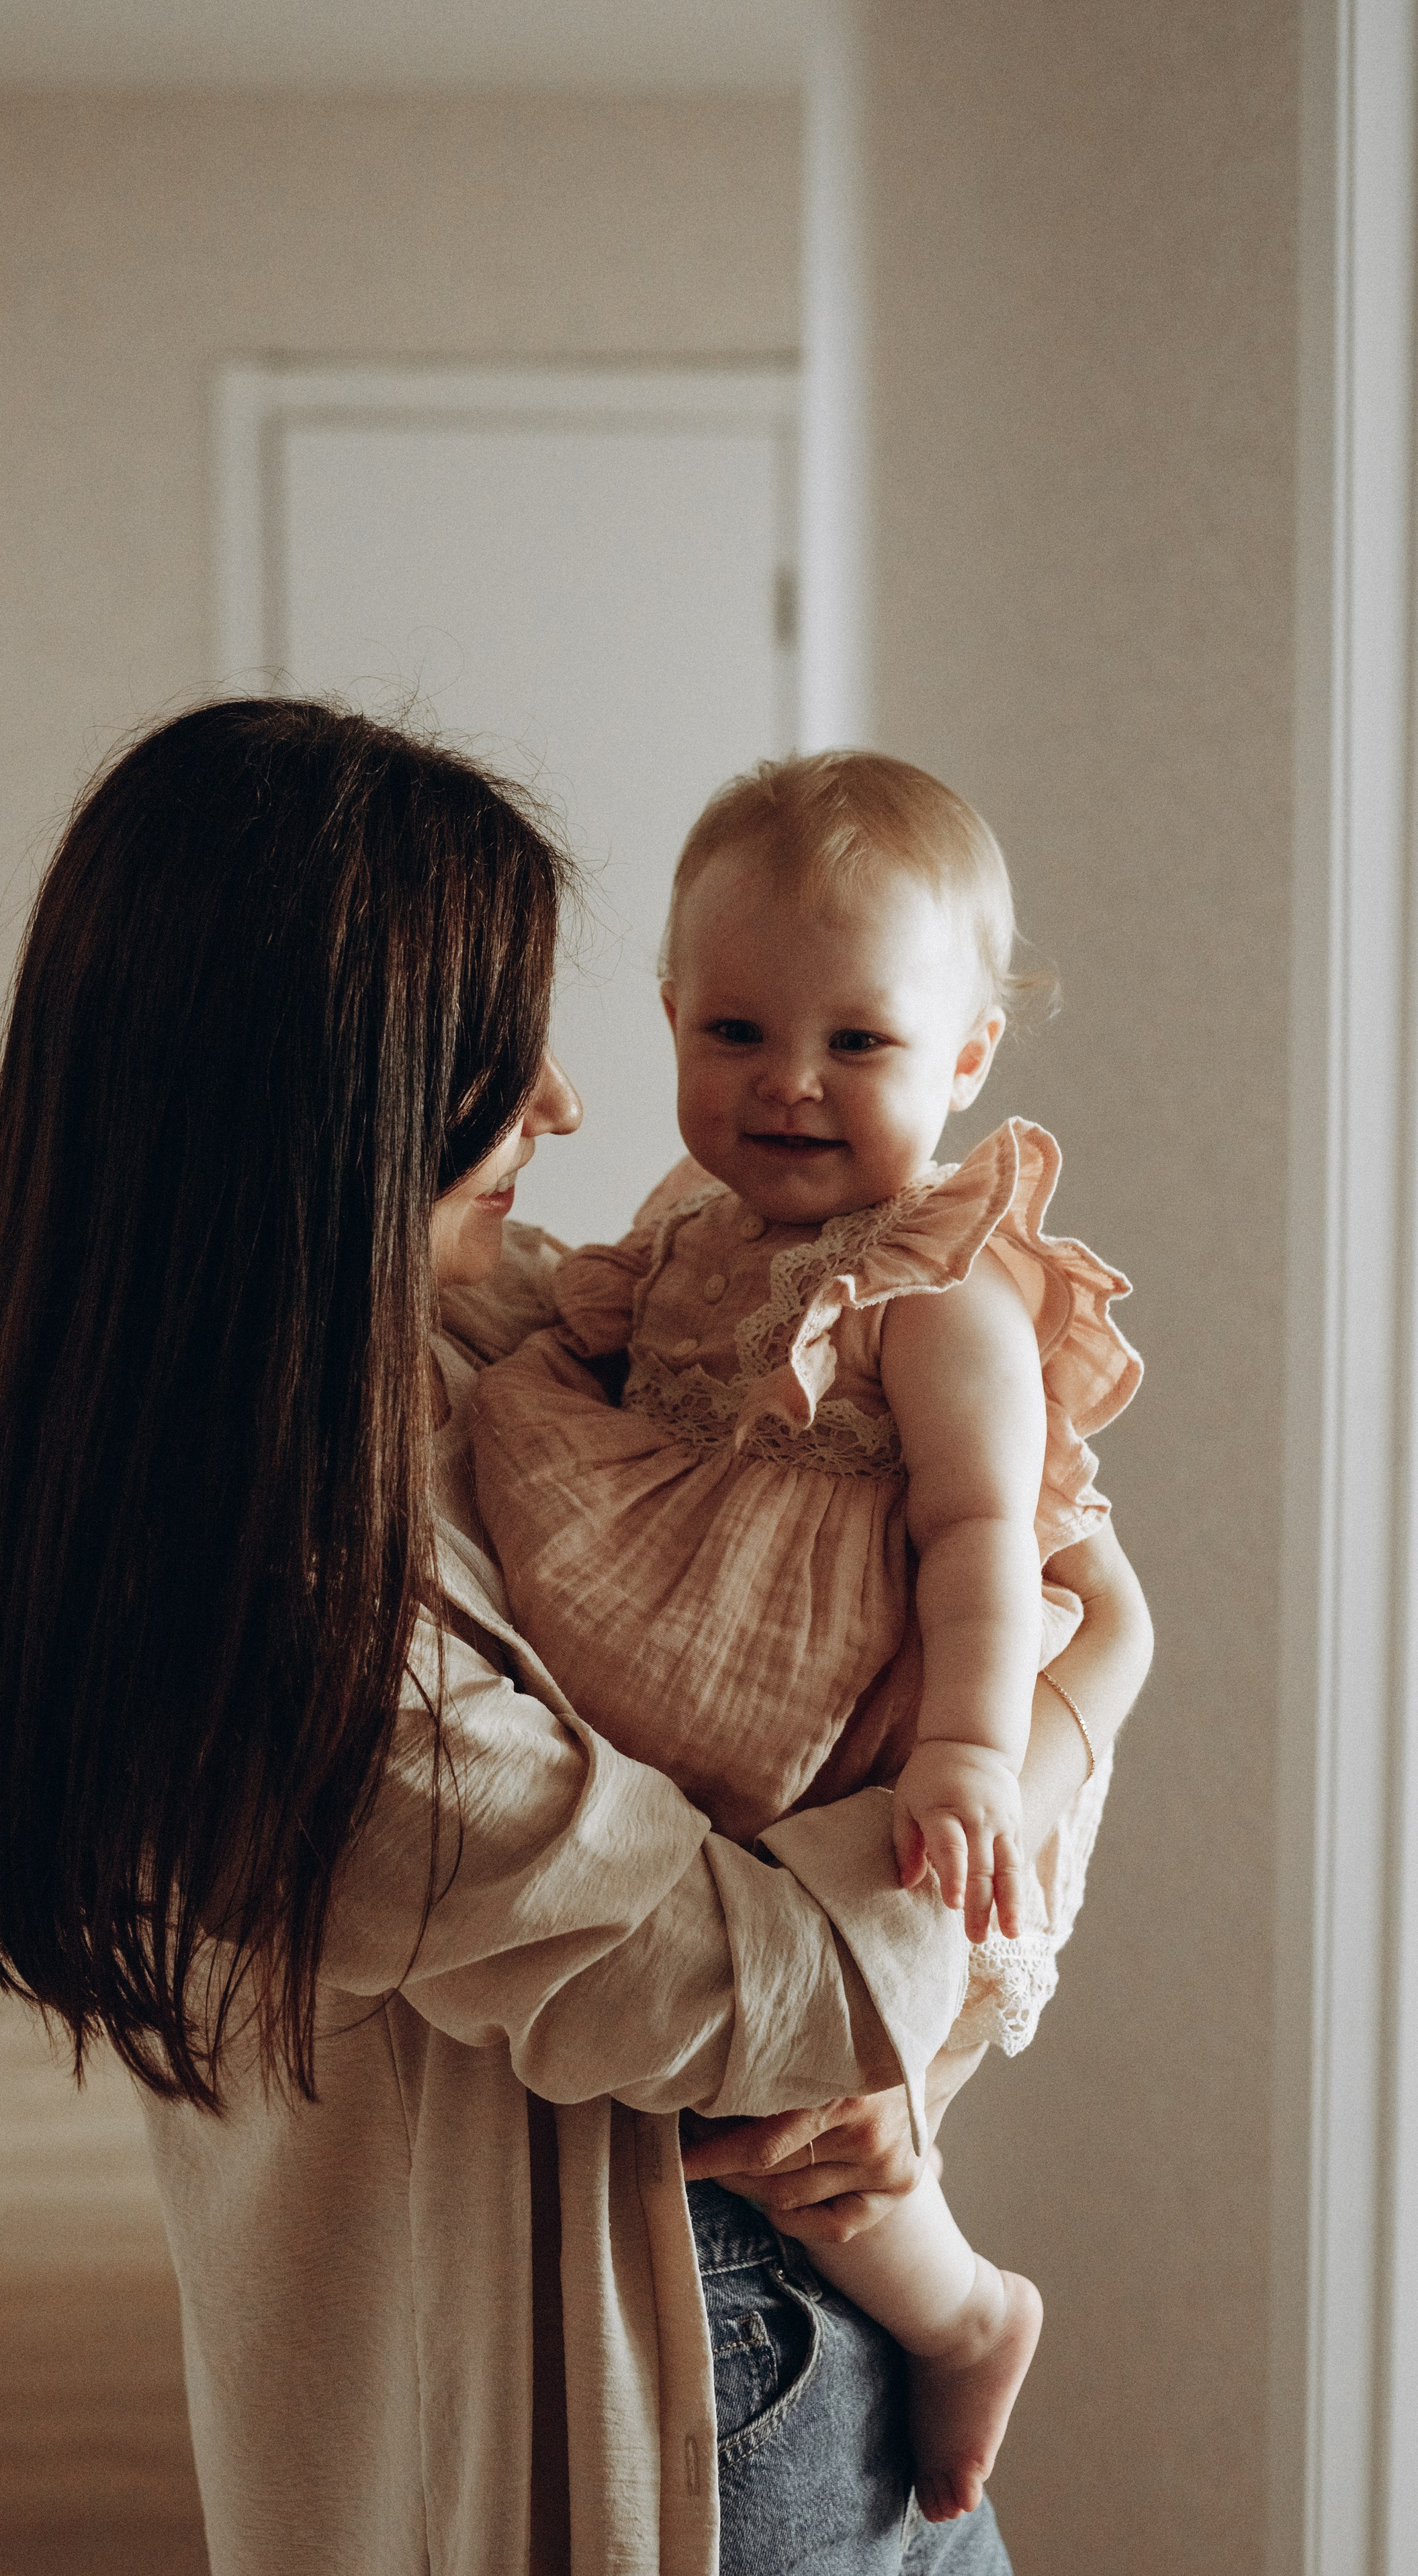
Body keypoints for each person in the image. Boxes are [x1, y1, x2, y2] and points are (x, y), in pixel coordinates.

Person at [0, 701, 1151, 2576]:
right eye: (497, 1057)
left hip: (755, 2304)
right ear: (327, 1104)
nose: (564, 1105)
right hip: (684, 2353)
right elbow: (768, 1987)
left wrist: (1071, 1640)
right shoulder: (284, 1607)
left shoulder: (465, 1332)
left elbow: (1010, 1518)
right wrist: (1089, 1676)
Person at [472, 750, 1147, 2523]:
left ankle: (970, 2310)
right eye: (738, 1031)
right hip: (745, 1730)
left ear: (966, 1057)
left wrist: (971, 1755)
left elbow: (985, 1535)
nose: (788, 1083)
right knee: (786, 2128)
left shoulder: (933, 1290)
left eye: (858, 1043)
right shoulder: (691, 1228)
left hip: (901, 1746)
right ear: (675, 1016)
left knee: (841, 2129)